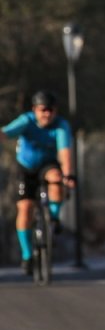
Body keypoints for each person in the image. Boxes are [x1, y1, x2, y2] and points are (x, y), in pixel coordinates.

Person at [2, 91, 74, 276]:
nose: (47, 114)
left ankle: (54, 218)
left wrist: (69, 175)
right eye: (43, 110)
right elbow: (6, 133)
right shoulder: (26, 121)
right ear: (35, 110)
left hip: (48, 165)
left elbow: (65, 152)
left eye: (51, 110)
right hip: (26, 168)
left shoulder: (61, 126)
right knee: (25, 208)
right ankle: (27, 254)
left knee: (57, 179)